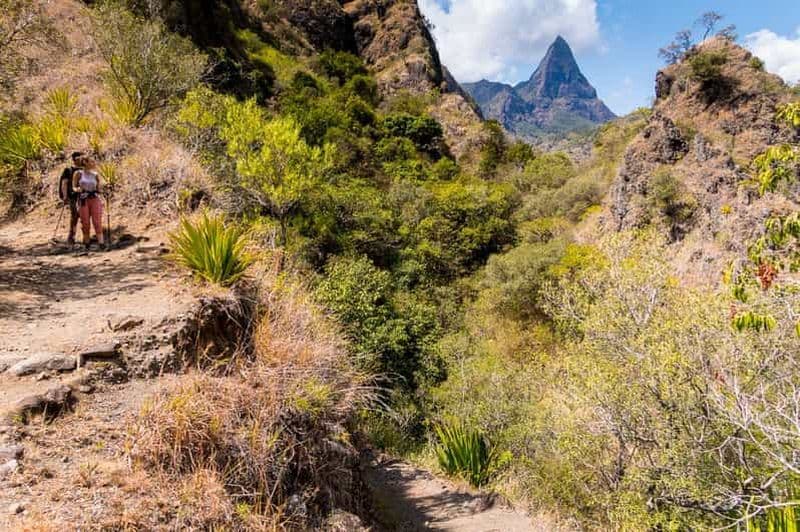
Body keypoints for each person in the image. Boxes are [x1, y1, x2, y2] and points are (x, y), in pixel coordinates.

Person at [72, 156, 105, 249]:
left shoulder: (95, 174)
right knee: (85, 222)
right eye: (91, 162)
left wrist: (102, 188)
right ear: (85, 162)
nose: (94, 163)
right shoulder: (78, 173)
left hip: (94, 198)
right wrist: (78, 189)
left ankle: (101, 243)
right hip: (83, 199)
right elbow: (74, 187)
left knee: (97, 221)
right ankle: (87, 243)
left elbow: (99, 186)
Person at [58, 152, 84, 245]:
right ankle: (71, 237)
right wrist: (65, 196)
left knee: (83, 216)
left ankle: (84, 237)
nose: (80, 160)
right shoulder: (68, 170)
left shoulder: (85, 169)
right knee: (75, 215)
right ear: (74, 160)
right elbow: (64, 183)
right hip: (72, 196)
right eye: (78, 159)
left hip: (84, 196)